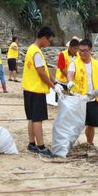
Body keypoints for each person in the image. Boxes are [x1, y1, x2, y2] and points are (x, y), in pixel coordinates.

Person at [22, 26, 64, 157]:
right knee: (38, 120)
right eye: (49, 40)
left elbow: (44, 70)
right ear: (44, 38)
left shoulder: (32, 49)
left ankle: (31, 144)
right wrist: (53, 86)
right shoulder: (37, 53)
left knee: (31, 118)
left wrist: (55, 82)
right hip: (36, 90)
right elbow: (41, 73)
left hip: (28, 89)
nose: (49, 43)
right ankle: (41, 147)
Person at [67, 38, 98, 145]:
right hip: (78, 98)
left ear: (91, 50)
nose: (82, 53)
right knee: (76, 123)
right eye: (80, 50)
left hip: (93, 98)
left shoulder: (96, 63)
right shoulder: (75, 63)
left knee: (91, 124)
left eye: (85, 50)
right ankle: (69, 143)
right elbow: (70, 74)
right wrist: (70, 82)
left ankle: (89, 144)